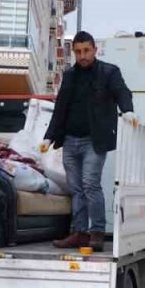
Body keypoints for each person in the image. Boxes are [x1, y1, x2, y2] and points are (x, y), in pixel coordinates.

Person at [41, 30, 137, 252]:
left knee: (90, 185)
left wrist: (128, 111)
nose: (82, 55)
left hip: (94, 141)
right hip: (69, 140)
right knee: (75, 188)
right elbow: (61, 108)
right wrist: (49, 136)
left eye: (86, 51)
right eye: (78, 52)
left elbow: (122, 92)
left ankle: (97, 233)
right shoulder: (70, 75)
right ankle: (80, 233)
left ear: (95, 50)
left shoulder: (109, 72)